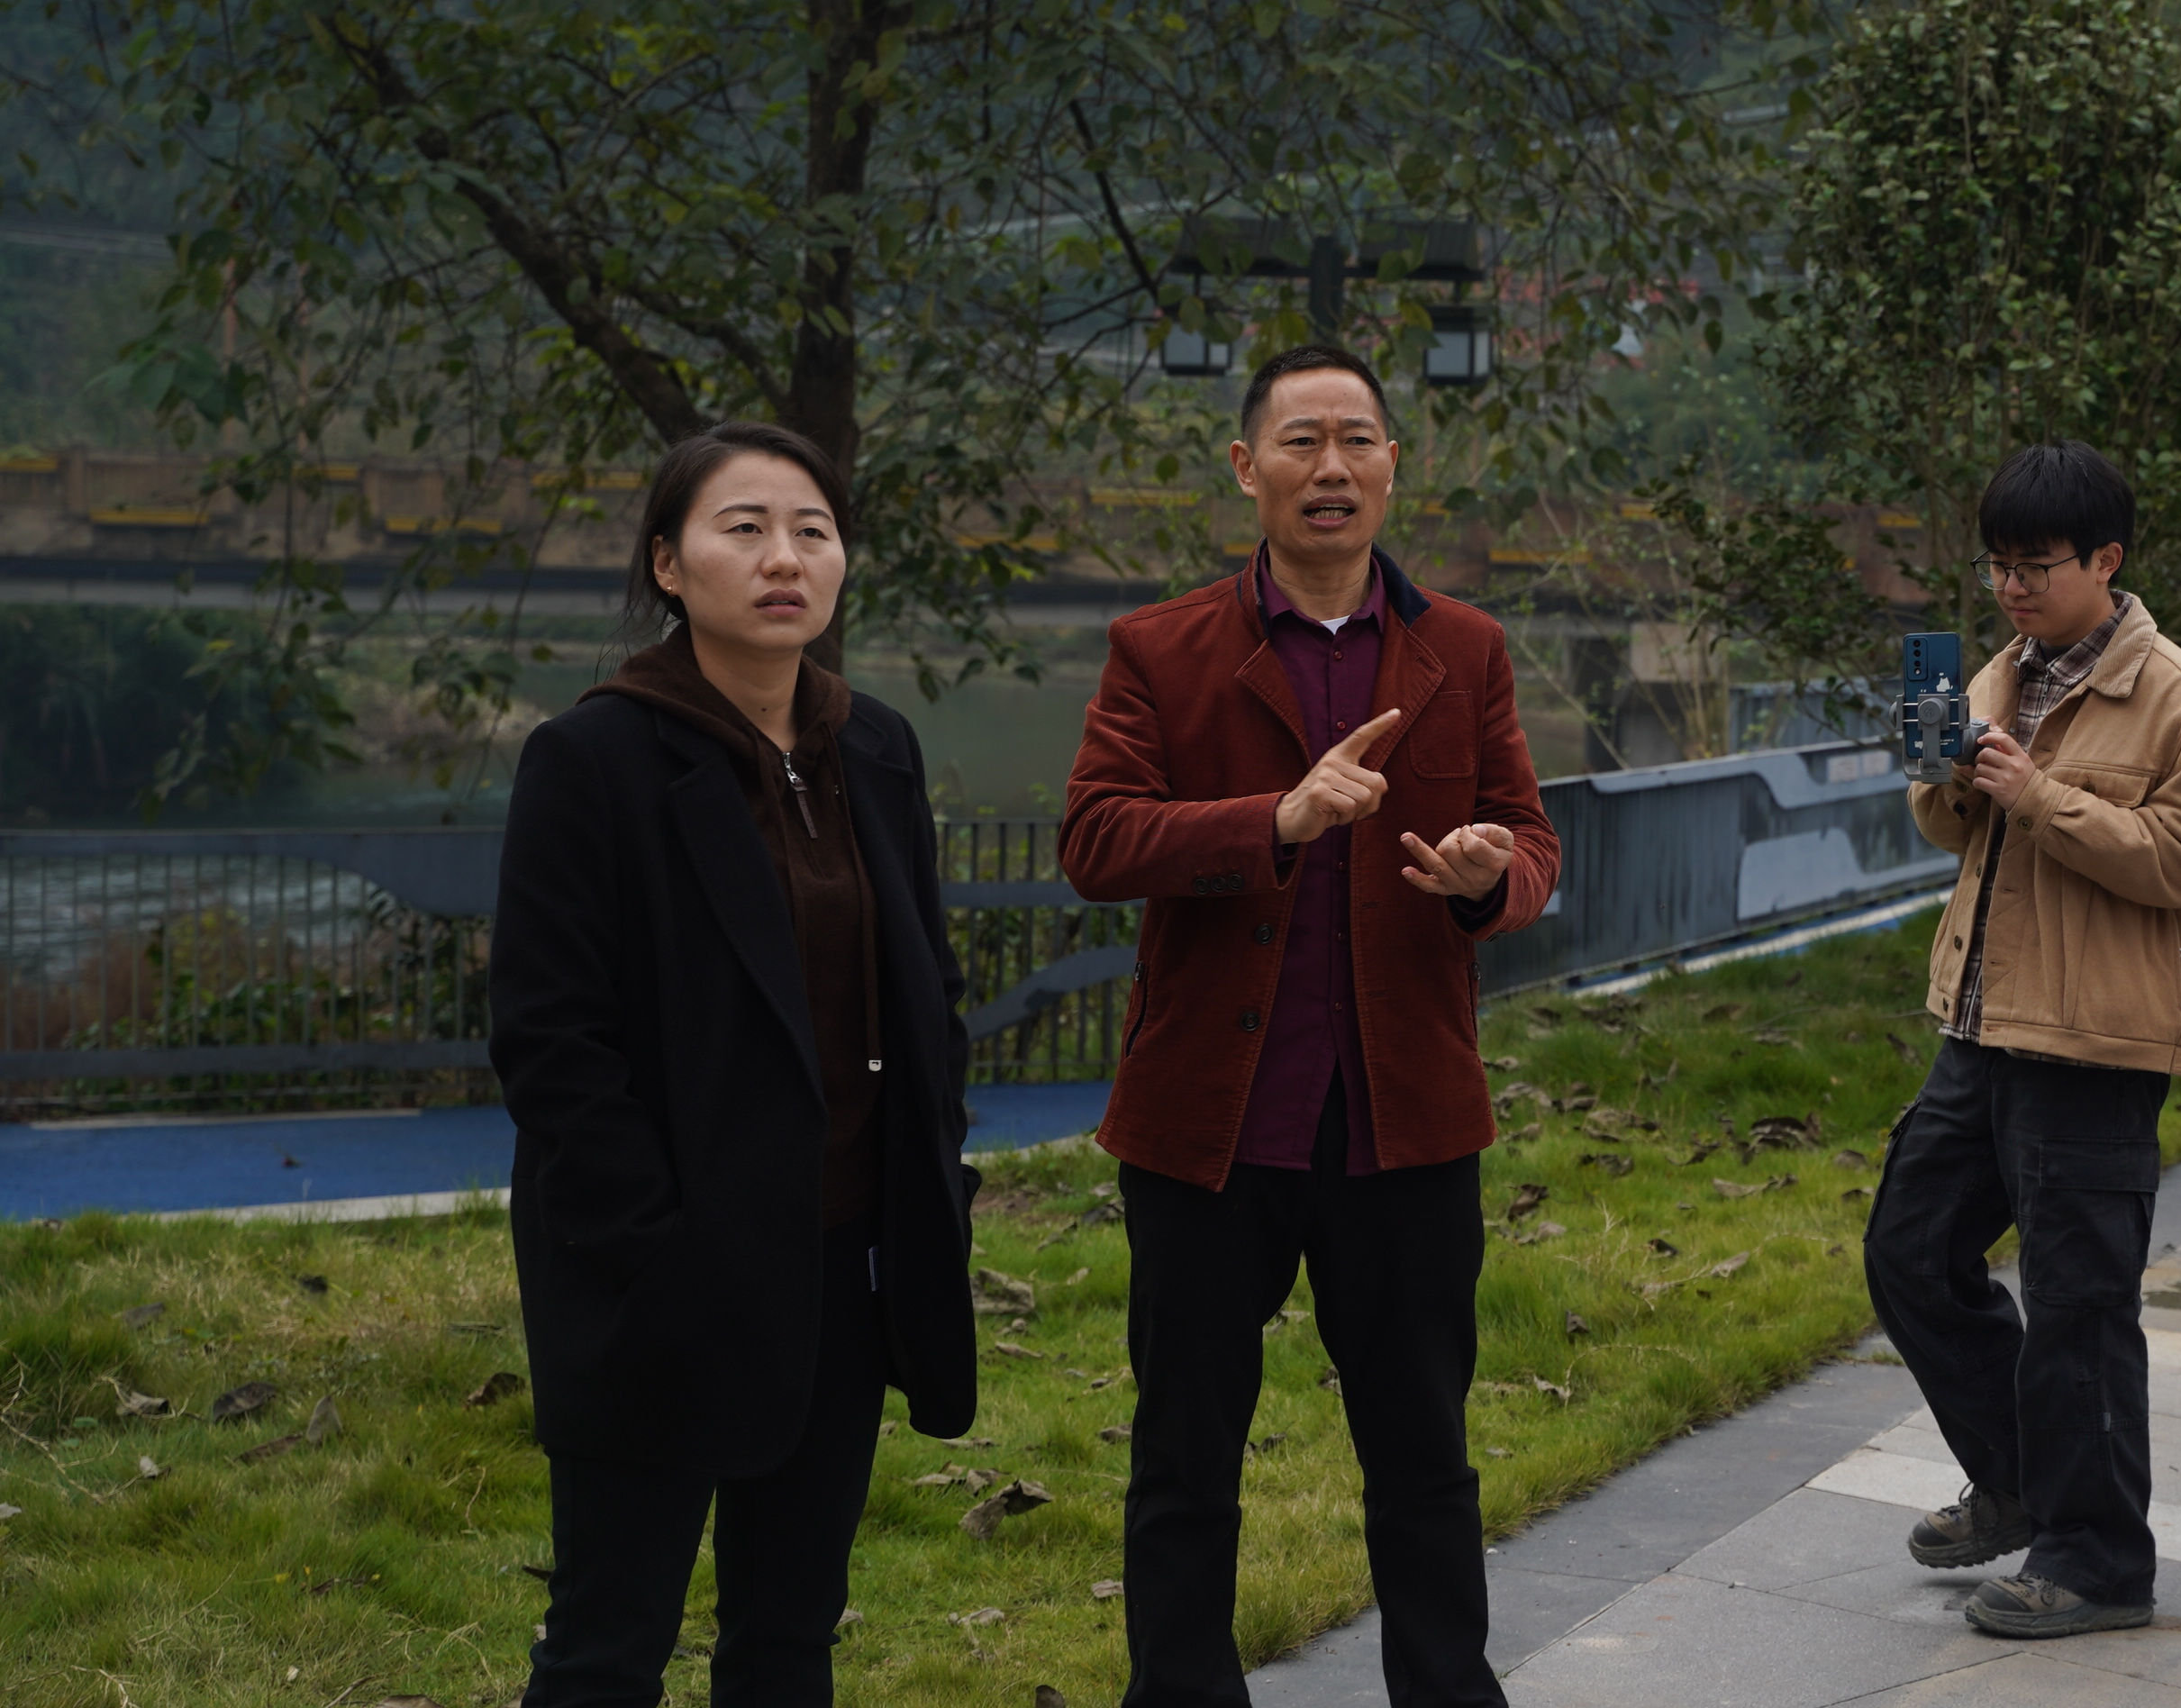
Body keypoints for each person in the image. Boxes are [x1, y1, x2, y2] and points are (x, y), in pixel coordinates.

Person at [1060, 343, 1562, 1708]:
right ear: (1248, 468)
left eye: (1356, 440)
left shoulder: (1466, 648)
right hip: (1209, 1127)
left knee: (1424, 1455)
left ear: (1394, 463)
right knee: (1184, 1457)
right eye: (1300, 442)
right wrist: (1273, 822)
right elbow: (1097, 840)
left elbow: (1530, 838)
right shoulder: (1161, 648)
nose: (1329, 467)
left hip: (1405, 1123)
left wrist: (1487, 878)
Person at [494, 422, 980, 1706]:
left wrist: (936, 1173)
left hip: (840, 1272)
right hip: (662, 1274)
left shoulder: (874, 749)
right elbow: (550, 1037)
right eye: (745, 528)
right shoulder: (593, 760)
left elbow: (928, 990)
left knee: (787, 1637)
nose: (785, 558)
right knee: (609, 1644)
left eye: (813, 531)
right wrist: (647, 1243)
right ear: (668, 563)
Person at [1867, 438, 2181, 1642]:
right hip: (1983, 1020)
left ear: (2106, 559)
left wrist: (2038, 794)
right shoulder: (2000, 671)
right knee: (1912, 1252)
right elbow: (1953, 830)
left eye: (2037, 566)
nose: (2014, 587)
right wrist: (1947, 776)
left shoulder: (2173, 695)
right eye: (1999, 566)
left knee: (2079, 1305)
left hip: (2094, 1041)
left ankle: (2099, 1560)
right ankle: (2020, 1479)